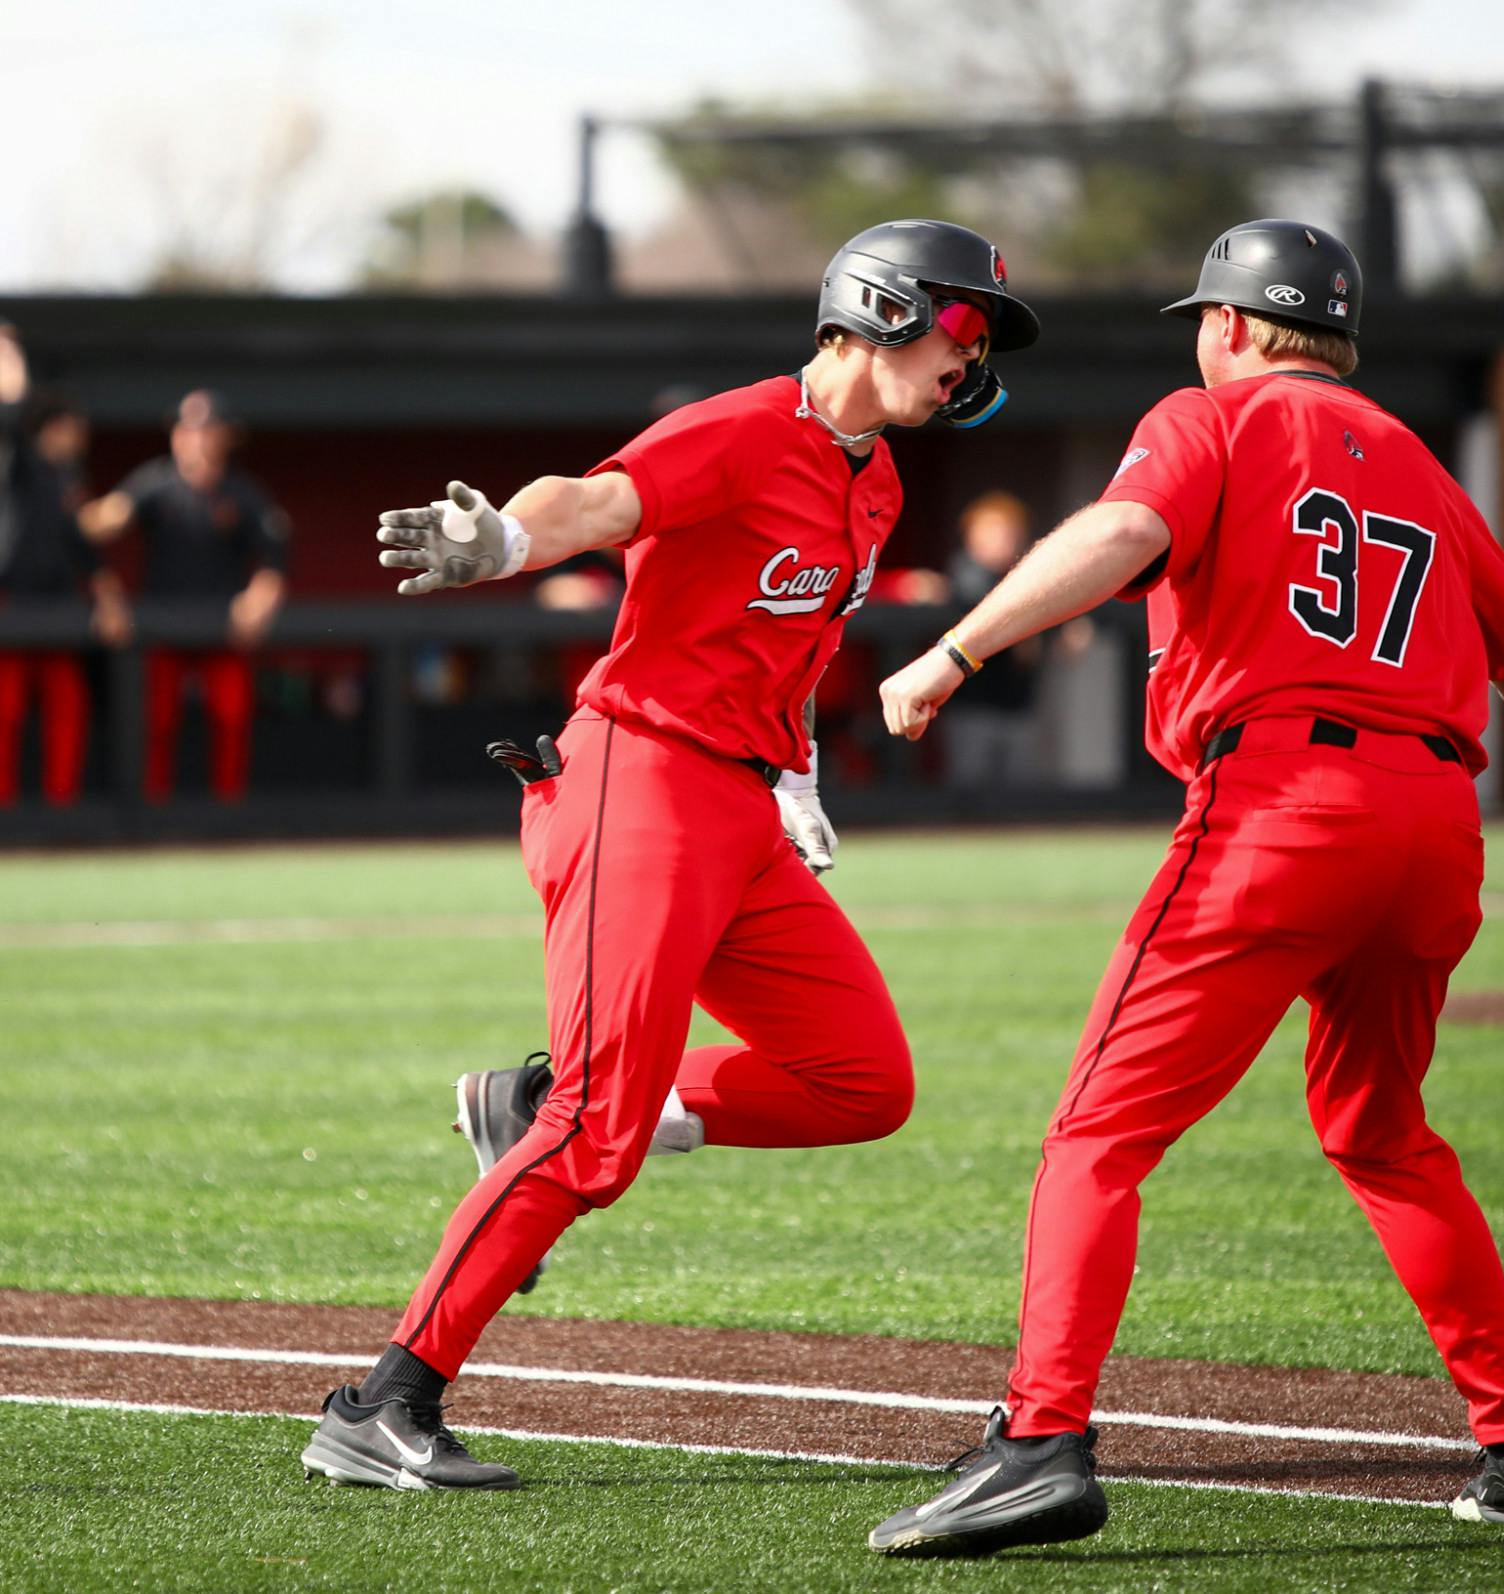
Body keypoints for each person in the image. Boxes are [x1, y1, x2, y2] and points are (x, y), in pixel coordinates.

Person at [871, 219, 1504, 1557]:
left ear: (1231, 327)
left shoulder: (1209, 420)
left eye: (1201, 325)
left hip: (1285, 810)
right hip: (1433, 831)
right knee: (1383, 1131)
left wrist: (956, 648)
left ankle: (1040, 1437)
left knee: (1094, 1137)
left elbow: (1119, 531)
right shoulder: (1416, 458)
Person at [300, 219, 1038, 1490]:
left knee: (860, 1079)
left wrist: (794, 774)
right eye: (962, 330)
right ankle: (384, 1403)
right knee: (597, 1132)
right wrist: (506, 545)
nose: (968, 365)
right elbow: (593, 502)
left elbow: (792, 641)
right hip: (636, 778)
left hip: (737, 808)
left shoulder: (878, 479)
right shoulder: (744, 427)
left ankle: (536, 1102)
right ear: (877, 310)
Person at [81, 390, 290, 802]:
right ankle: (151, 815)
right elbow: (100, 524)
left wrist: (259, 600)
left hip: (223, 629)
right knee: (155, 721)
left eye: (206, 429)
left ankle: (228, 812)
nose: (195, 438)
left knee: (231, 717)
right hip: (163, 625)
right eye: (186, 428)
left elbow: (276, 559)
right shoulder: (155, 483)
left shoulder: (243, 493)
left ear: (225, 436)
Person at [0, 326, 130, 806]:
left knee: (68, 704)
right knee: (5, 709)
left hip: (58, 610)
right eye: (72, 427)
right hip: (11, 606)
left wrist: (110, 597)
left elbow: (84, 548)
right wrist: (10, 360)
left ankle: (62, 812)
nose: (80, 435)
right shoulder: (17, 459)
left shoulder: (69, 477)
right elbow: (13, 414)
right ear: (51, 428)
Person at [941, 490, 1043, 787]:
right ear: (972, 536)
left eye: (1010, 532)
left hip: (1018, 705)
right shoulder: (963, 577)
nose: (1004, 540)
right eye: (995, 532)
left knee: (1019, 795)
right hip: (972, 706)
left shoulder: (1027, 576)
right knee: (969, 794)